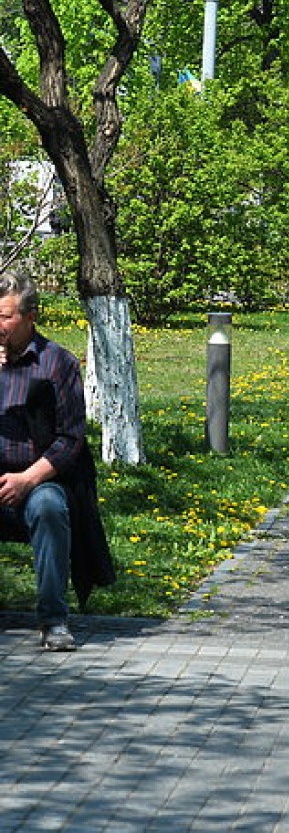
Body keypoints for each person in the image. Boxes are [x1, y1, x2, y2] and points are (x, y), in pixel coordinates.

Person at [0, 272, 115, 652]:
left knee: (50, 507)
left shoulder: (57, 363)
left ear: (31, 316)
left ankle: (53, 619)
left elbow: (70, 440)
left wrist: (27, 480)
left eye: (5, 317)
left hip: (36, 479)